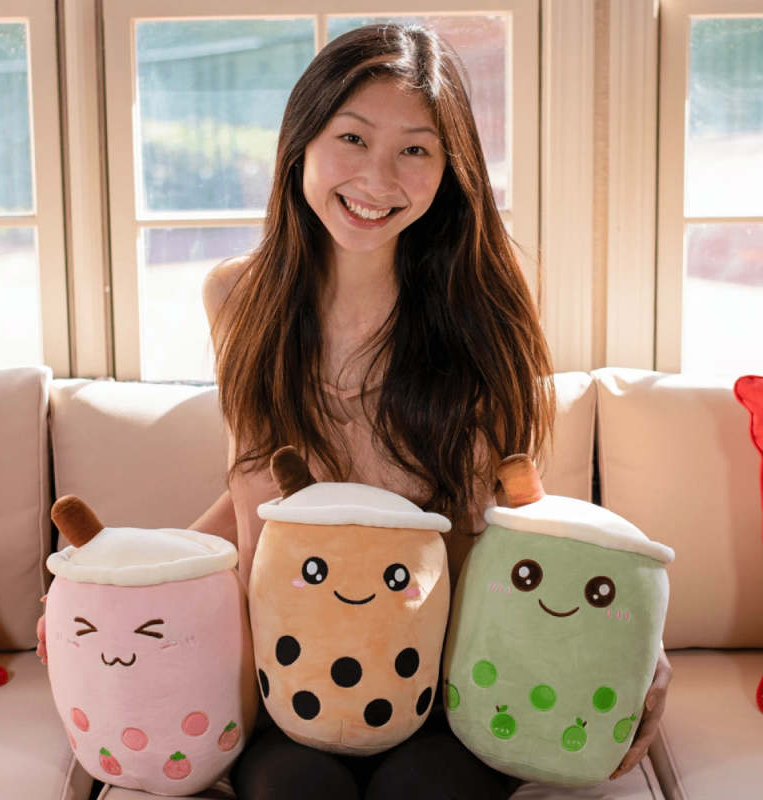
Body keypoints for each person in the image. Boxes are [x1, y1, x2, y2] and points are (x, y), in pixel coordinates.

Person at [39, 22, 671, 799]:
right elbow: (253, 494)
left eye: (416, 150)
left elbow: (509, 515)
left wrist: (628, 643)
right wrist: (114, 583)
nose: (378, 177)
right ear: (301, 140)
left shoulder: (484, 308)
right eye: (353, 137)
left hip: (442, 679)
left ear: (449, 171)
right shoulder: (237, 298)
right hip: (287, 675)